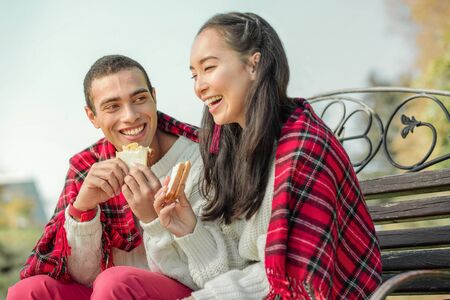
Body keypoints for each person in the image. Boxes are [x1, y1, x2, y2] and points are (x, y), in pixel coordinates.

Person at [151, 12, 382, 299]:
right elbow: (238, 269)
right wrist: (189, 230)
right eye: (194, 75)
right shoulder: (234, 151)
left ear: (253, 65)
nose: (199, 87)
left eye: (209, 68)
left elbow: (287, 279)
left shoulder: (304, 152)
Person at [7, 54, 203, 300]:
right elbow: (84, 277)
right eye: (112, 106)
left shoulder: (197, 157)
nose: (130, 116)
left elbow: (207, 268)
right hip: (108, 290)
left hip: (183, 286)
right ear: (92, 117)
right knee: (27, 292)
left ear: (154, 97)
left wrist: (151, 217)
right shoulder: (87, 166)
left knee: (115, 283)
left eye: (140, 99)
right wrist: (84, 209)